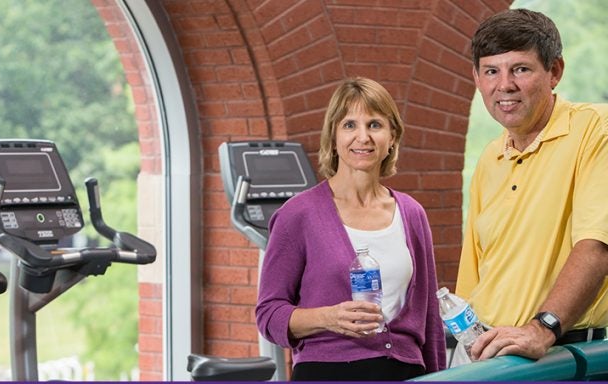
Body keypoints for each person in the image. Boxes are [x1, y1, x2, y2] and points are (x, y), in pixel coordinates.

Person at [255, 77, 446, 381]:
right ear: (333, 137)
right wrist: (329, 318)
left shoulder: (411, 213)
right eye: (349, 125)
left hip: (405, 372)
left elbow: (430, 321)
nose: (363, 137)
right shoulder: (298, 215)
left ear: (392, 136)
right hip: (327, 371)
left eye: (374, 124)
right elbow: (268, 316)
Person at [457, 8, 608, 363]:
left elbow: (597, 246)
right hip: (492, 358)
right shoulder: (491, 157)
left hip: (562, 354)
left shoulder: (596, 130)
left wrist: (543, 328)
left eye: (520, 69)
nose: (504, 85)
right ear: (477, 78)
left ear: (554, 71)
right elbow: (473, 278)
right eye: (492, 71)